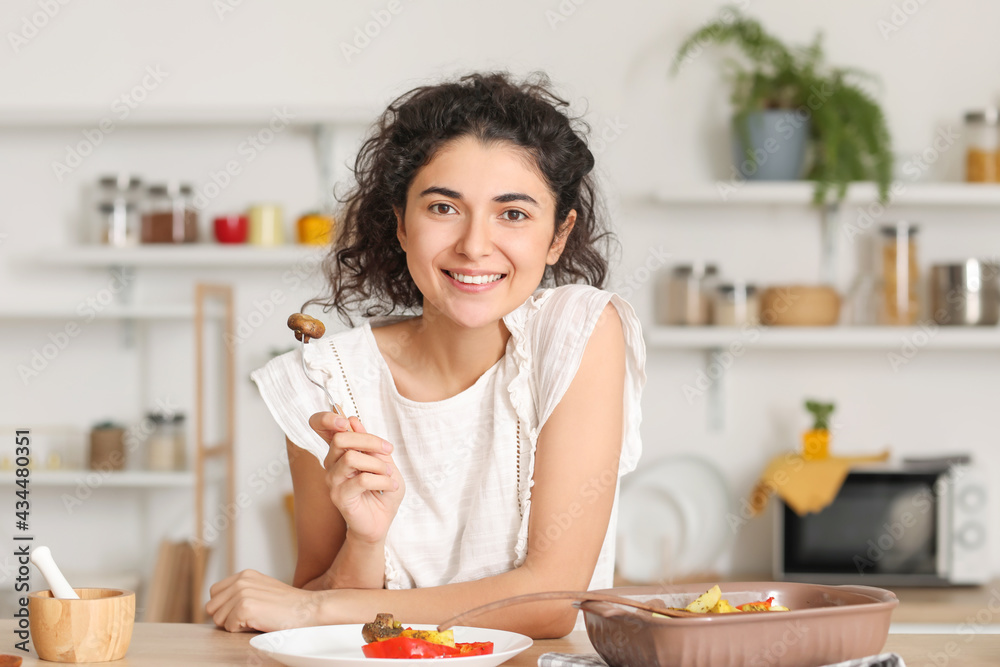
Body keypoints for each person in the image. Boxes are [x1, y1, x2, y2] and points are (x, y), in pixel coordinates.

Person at [206, 72, 646, 639]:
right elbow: (320, 610)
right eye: (443, 207)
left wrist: (313, 609)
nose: (474, 245)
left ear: (558, 237)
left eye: (513, 214)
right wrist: (365, 542)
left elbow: (550, 600)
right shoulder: (321, 380)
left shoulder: (579, 332)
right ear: (401, 224)